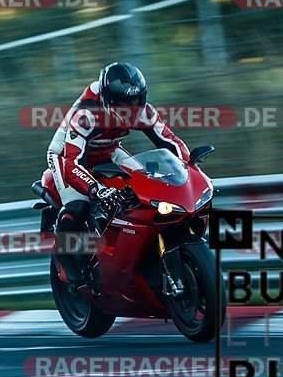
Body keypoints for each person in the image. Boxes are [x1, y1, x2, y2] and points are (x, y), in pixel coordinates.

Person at [46, 61, 190, 284]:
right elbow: (72, 164)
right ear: (106, 99)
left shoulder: (144, 112)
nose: (130, 108)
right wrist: (96, 189)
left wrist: (190, 170)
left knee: (144, 183)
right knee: (79, 204)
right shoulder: (86, 115)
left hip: (109, 149)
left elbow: (171, 142)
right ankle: (63, 255)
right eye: (123, 103)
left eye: (136, 100)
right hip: (66, 156)